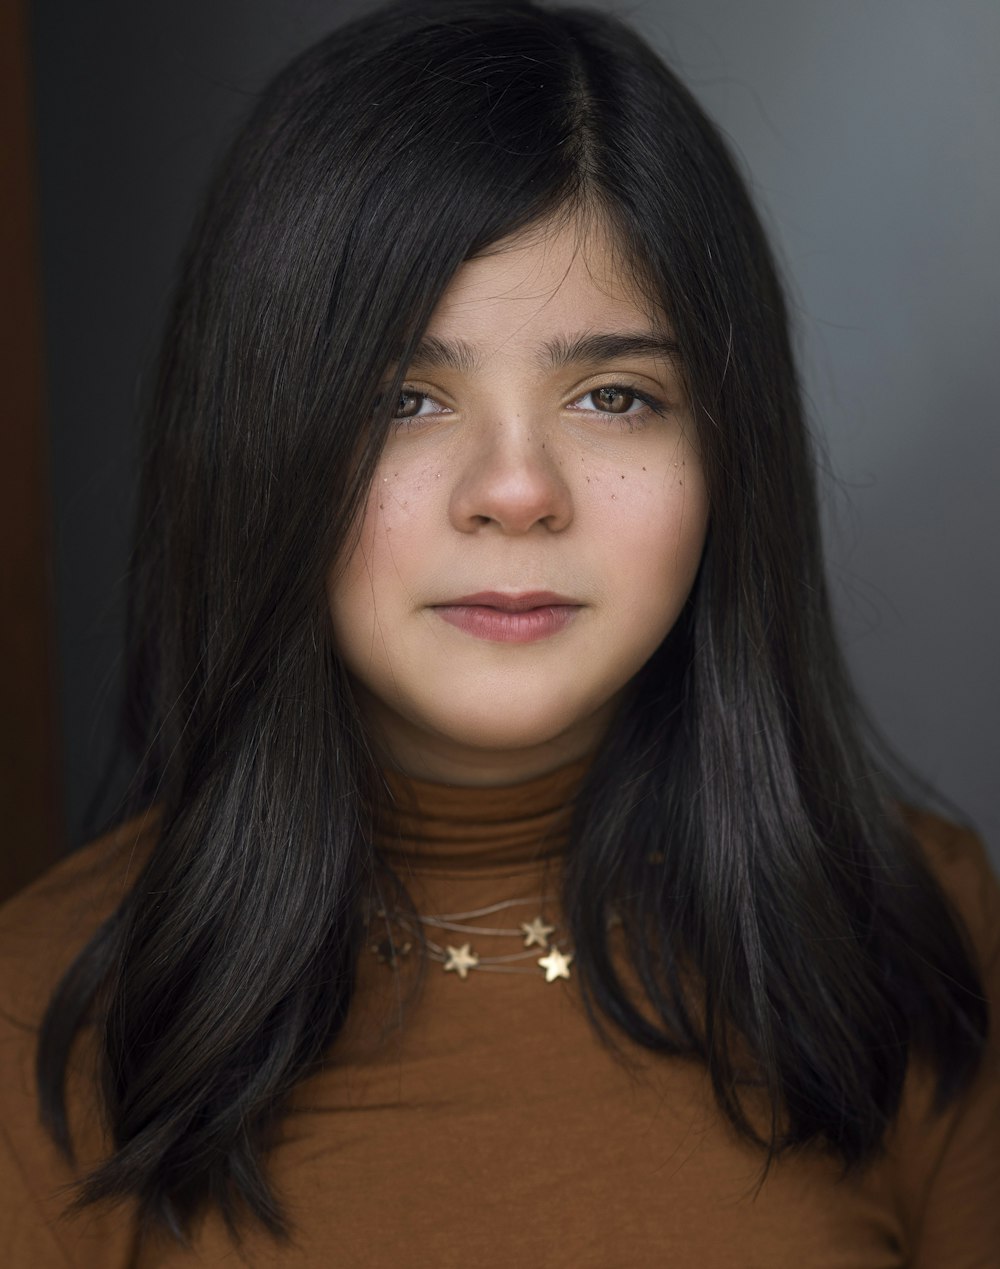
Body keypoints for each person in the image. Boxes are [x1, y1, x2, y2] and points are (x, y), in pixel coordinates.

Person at [1, 0, 997, 1264]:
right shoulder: (35, 1031)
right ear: (253, 448)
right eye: (405, 397)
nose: (516, 490)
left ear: (726, 451)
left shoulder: (915, 942)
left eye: (613, 395)